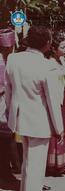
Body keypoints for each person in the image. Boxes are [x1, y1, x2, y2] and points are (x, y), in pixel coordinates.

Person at [5, 26, 64, 191]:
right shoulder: (47, 66)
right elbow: (53, 101)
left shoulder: (13, 59)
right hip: (39, 121)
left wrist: (12, 113)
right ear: (47, 43)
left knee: (27, 162)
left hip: (19, 118)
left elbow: (9, 92)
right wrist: (59, 128)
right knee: (35, 166)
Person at [45, 32, 65, 176]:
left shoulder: (63, 62)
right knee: (56, 130)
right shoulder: (50, 63)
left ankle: (62, 163)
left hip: (64, 96)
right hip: (55, 98)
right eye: (62, 47)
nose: (64, 49)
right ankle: (53, 165)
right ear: (54, 48)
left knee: (64, 129)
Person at [0, 28, 18, 183]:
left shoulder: (13, 60)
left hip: (9, 104)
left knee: (8, 139)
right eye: (6, 48)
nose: (8, 50)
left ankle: (8, 171)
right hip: (1, 105)